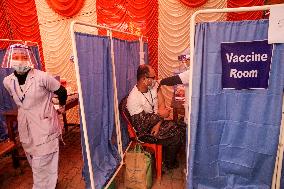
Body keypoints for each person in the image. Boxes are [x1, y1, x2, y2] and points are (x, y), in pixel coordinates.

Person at [1, 44, 67, 189]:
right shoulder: (8, 81)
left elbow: (62, 91)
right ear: (11, 60)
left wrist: (61, 108)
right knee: (34, 160)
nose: (19, 61)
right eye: (16, 57)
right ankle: (51, 182)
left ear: (28, 59)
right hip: (25, 125)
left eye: (23, 57)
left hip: (44, 124)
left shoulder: (42, 77)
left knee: (41, 162)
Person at [127, 64, 185, 169]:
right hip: (145, 131)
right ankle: (167, 164)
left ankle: (165, 157)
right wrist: (160, 115)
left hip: (154, 123)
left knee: (181, 126)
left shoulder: (153, 85)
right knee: (177, 134)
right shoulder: (133, 99)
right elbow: (141, 126)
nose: (156, 80)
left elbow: (162, 105)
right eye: (153, 77)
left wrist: (158, 122)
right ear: (144, 79)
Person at [159, 49, 190, 124]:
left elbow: (174, 80)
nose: (184, 63)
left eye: (186, 60)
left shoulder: (191, 72)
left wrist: (160, 81)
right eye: (183, 61)